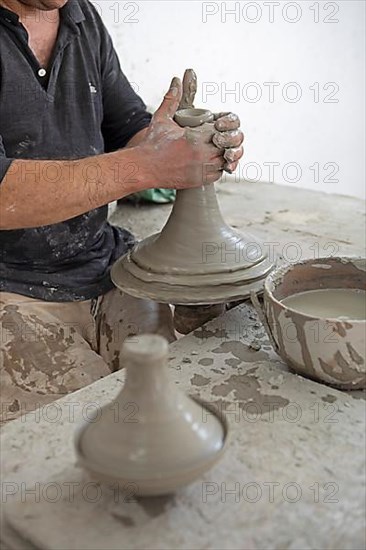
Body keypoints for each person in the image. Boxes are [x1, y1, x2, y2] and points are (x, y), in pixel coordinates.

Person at [0, 0, 244, 423]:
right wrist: (147, 165)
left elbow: (127, 126)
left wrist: (179, 145)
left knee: (184, 398)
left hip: (101, 261)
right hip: (12, 284)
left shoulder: (79, 17)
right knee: (81, 434)